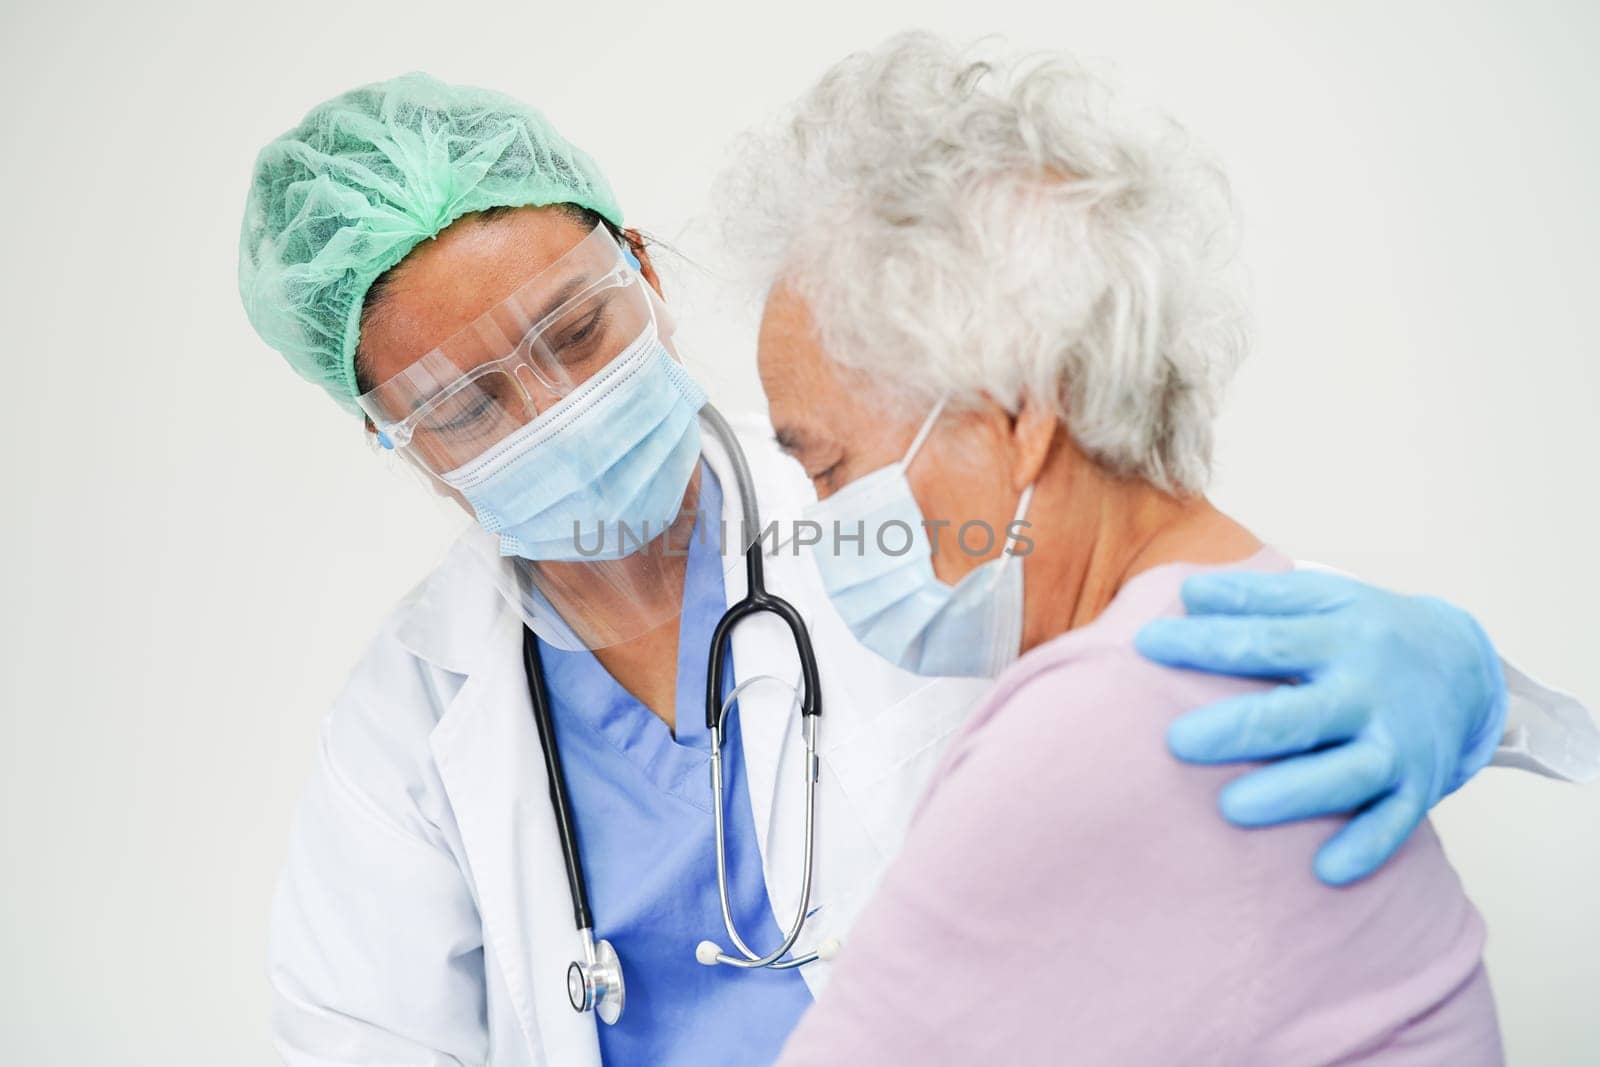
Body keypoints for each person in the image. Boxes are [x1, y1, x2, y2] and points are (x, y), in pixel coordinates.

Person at [236, 69, 1595, 1066]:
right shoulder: (411, 717)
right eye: (469, 402)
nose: (551, 413)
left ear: (639, 268)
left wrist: (1477, 683)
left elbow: (1195, 618)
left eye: (576, 330)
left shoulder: (894, 501)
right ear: (398, 440)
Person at [728, 34, 1565, 1064]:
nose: (822, 525)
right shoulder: (1233, 621)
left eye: (828, 467)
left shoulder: (1102, 721)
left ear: (1012, 414)